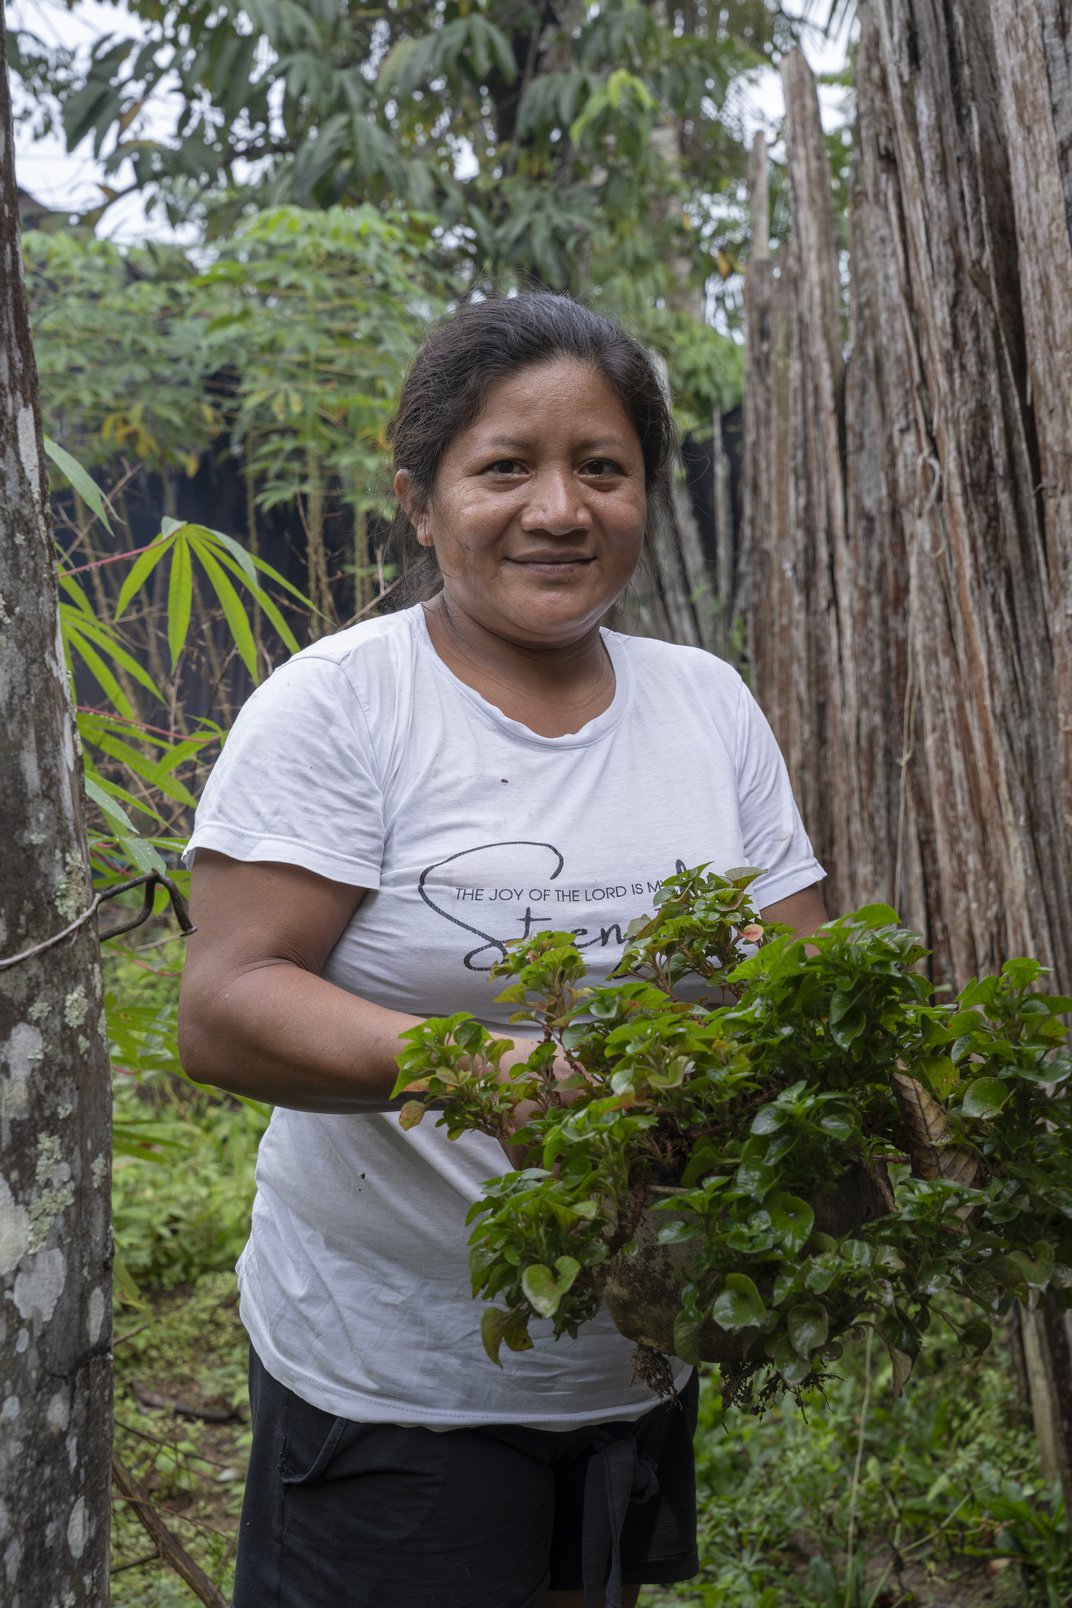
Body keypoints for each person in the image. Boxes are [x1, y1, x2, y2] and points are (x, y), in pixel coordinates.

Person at [177, 293, 827, 1608]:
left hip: (630, 1351)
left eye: (602, 468)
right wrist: (484, 1064)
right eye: (505, 469)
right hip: (393, 1375)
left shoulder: (705, 705)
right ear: (419, 500)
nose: (560, 509)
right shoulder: (342, 710)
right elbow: (228, 1008)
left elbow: (796, 977)